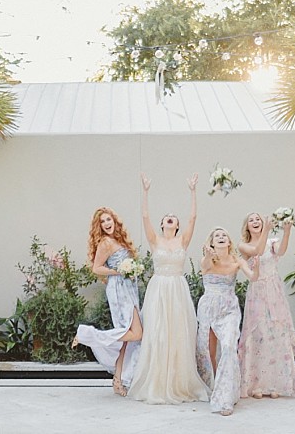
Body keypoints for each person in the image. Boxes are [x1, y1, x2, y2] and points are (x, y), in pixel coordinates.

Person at [128, 173, 209, 404]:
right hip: (159, 290)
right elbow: (144, 216)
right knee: (159, 334)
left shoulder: (183, 240)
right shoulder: (155, 240)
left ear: (177, 225)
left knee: (179, 335)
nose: (171, 219)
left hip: (178, 290)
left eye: (174, 217)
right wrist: (145, 191)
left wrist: (193, 192)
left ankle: (179, 383)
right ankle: (157, 383)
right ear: (163, 224)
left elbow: (193, 217)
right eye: (167, 218)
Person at [73, 207, 143, 397]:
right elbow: (96, 268)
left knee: (128, 340)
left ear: (115, 221)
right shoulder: (105, 242)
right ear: (100, 226)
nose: (107, 223)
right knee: (136, 334)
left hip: (129, 288)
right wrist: (119, 271)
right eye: (103, 221)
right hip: (119, 290)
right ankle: (90, 336)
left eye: (109, 219)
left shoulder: (118, 240)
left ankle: (119, 380)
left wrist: (132, 271)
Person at [196, 227, 258, 416]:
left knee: (230, 347)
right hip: (209, 307)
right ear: (212, 243)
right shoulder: (207, 259)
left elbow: (253, 277)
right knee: (209, 352)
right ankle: (215, 386)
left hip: (229, 309)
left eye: (224, 235)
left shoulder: (237, 260)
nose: (221, 237)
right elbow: (205, 266)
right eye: (217, 236)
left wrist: (258, 263)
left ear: (229, 242)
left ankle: (225, 397)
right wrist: (208, 254)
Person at [238, 212, 295, 399]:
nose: (256, 222)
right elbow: (256, 251)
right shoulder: (243, 245)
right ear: (247, 226)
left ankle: (276, 384)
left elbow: (280, 251)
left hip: (273, 289)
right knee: (259, 334)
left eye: (258, 219)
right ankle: (256, 385)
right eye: (252, 220)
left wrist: (287, 232)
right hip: (257, 290)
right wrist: (266, 227)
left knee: (276, 333)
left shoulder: (271, 240)